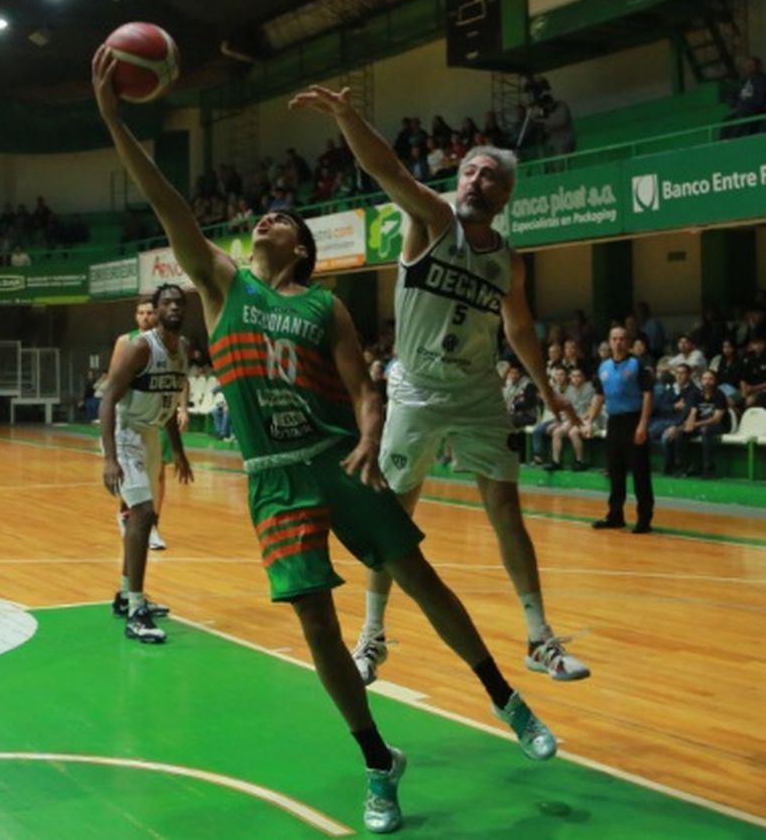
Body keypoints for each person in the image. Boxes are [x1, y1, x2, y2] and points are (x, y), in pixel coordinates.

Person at [97, 50, 555, 834]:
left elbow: (364, 391)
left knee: (422, 578)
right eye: (260, 219)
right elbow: (165, 198)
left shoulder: (325, 307)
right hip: (272, 476)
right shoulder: (220, 285)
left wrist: (373, 436)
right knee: (316, 623)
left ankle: (503, 694)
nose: (263, 221)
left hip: (336, 457)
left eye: (279, 220)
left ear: (302, 250)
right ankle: (379, 761)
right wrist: (112, 115)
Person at [289, 84, 588, 685]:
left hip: (478, 394)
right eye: (469, 171)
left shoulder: (511, 259)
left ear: (504, 196)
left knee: (507, 511)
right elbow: (386, 167)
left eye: (488, 177)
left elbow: (520, 327)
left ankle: (538, 637)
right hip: (416, 393)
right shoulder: (432, 220)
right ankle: (372, 638)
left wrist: (549, 392)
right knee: (391, 520)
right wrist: (350, 116)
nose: (474, 181)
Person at [101, 284, 193, 644]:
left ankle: (125, 595)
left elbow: (166, 400)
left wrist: (180, 452)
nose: (173, 307)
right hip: (126, 432)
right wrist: (109, 458)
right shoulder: (141, 347)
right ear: (154, 311)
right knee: (140, 513)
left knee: (147, 515)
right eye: (166, 302)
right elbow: (108, 399)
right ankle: (137, 610)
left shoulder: (182, 349)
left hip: (152, 434)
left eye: (178, 302)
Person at [106, 298, 171, 553]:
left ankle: (153, 525)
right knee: (133, 473)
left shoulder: (168, 342)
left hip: (159, 417)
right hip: (132, 417)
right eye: (141, 312)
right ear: (136, 316)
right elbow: (113, 380)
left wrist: (182, 408)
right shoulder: (127, 341)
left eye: (150, 312)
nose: (145, 316)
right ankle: (127, 515)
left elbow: (179, 378)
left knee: (159, 474)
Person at [587, 324, 655, 533]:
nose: (618, 342)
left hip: (634, 420)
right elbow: (599, 396)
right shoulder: (603, 367)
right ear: (609, 342)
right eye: (614, 338)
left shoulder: (637, 365)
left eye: (622, 339)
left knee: (640, 472)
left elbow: (647, 395)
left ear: (629, 342)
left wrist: (643, 424)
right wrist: (589, 421)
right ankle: (615, 516)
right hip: (614, 422)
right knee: (615, 472)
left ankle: (644, 519)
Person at [681, 368, 729, 476]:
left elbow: (716, 419)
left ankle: (708, 468)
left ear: (715, 381)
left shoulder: (719, 395)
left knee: (705, 431)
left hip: (720, 425)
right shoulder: (696, 394)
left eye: (710, 379)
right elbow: (693, 412)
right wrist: (689, 424)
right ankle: (686, 467)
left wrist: (696, 424)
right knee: (682, 432)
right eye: (705, 379)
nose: (707, 382)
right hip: (701, 424)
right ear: (701, 381)